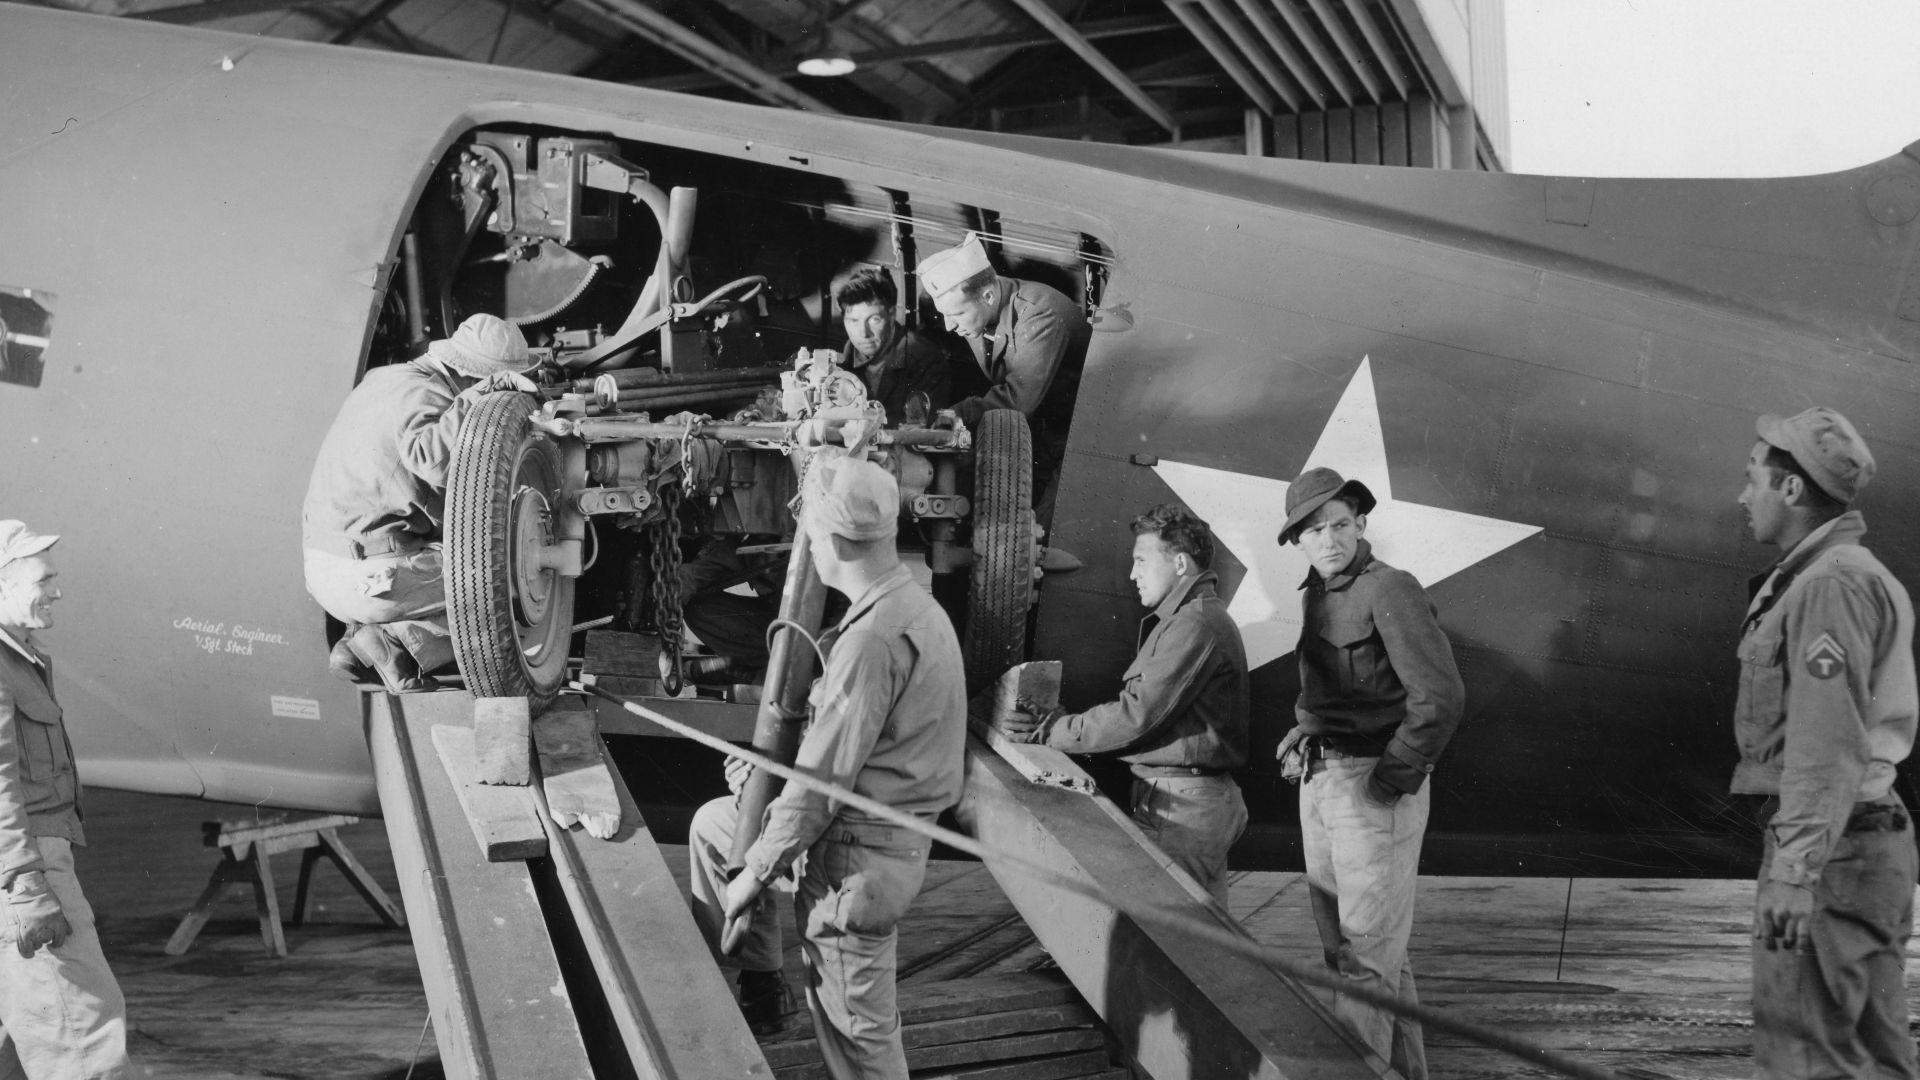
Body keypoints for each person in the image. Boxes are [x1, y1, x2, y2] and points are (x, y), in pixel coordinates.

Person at [686, 451, 966, 1076]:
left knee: (859, 1045)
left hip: (854, 864)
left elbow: (819, 787)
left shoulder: (869, 642)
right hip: (879, 841)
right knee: (713, 824)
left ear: (828, 538)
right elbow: (855, 749)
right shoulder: (914, 609)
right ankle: (763, 983)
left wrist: (752, 877)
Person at [1731, 407, 1916, 1080]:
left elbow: (1824, 743)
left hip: (1832, 858)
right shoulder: (1839, 572)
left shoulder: (1830, 585)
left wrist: (1793, 873)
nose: (1742, 494)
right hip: (1861, 849)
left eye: (1753, 477)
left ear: (1790, 489)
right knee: (1874, 1055)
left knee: (1801, 1057)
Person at [1273, 467, 1463, 1080]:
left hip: (1371, 788)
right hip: (1323, 781)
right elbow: (1338, 691)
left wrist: (1388, 781)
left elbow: (1439, 697)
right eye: (1314, 530)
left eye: (1340, 526)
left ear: (1360, 526)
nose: (1328, 540)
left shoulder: (1391, 588)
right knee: (1363, 956)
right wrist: (1305, 728)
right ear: (1297, 541)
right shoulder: (1316, 593)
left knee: (1364, 964)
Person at [994, 504, 1249, 906]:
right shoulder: (1189, 619)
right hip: (1190, 801)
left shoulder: (1192, 625)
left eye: (1141, 561)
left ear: (1180, 563)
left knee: (1165, 943)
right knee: (1201, 947)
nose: (1133, 574)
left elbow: (1136, 716)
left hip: (1181, 809)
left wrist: (1051, 731)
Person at [302, 313, 537, 692]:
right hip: (371, 578)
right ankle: (395, 642)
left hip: (324, 570)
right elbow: (436, 462)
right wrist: (482, 395)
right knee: (517, 569)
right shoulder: (430, 394)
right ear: (470, 373)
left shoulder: (382, 379)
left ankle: (369, 645)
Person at [0, 522, 133, 1078]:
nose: (57, 590)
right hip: (24, 864)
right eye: (44, 578)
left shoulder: (21, 658)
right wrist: (26, 882)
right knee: (82, 1032)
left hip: (22, 862)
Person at [916, 235, 1090, 522]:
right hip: (1042, 435)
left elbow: (1017, 401)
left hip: (1075, 441)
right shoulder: (981, 316)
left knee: (1041, 535)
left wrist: (955, 414)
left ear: (987, 295)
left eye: (956, 313)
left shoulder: (1039, 315)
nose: (949, 326)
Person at [835, 269, 951, 425]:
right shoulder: (851, 352)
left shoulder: (925, 360)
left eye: (874, 320)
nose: (863, 333)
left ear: (891, 315)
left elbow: (918, 435)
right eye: (853, 321)